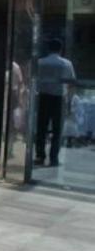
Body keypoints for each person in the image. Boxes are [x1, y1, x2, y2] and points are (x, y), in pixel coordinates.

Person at [35, 39, 76, 167]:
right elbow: (71, 81)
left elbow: (35, 79)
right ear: (61, 49)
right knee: (57, 130)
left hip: (43, 96)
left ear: (48, 48)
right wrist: (69, 100)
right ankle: (54, 158)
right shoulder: (67, 63)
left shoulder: (41, 62)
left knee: (41, 128)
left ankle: (40, 155)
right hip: (59, 98)